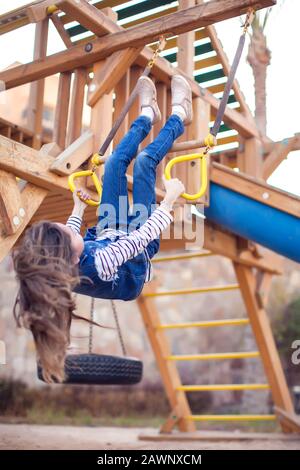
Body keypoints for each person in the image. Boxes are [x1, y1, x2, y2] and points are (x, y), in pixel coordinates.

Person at [12, 74, 193, 382]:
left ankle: (148, 113)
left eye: (68, 229)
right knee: (147, 161)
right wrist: (169, 201)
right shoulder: (97, 262)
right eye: (72, 234)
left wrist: (79, 208)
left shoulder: (62, 263)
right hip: (134, 254)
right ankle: (179, 115)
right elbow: (140, 239)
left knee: (113, 164)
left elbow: (68, 239)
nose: (74, 229)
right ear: (70, 259)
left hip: (111, 233)